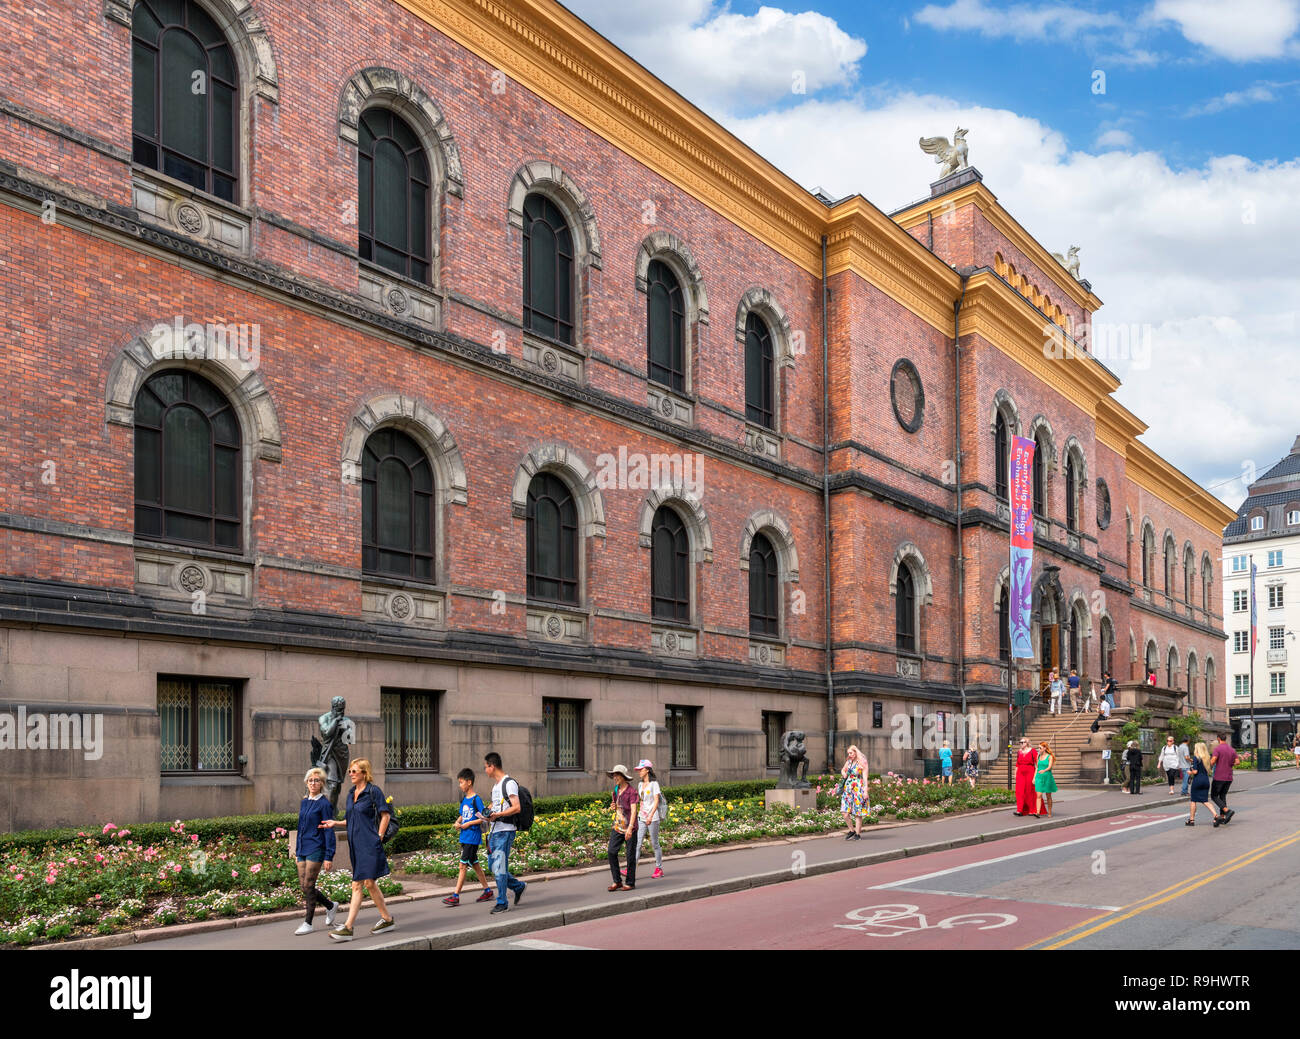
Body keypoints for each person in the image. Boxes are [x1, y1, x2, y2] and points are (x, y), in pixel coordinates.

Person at [320, 758, 394, 940]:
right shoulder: (351, 793)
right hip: (356, 845)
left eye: (354, 771)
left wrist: (379, 837)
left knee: (357, 884)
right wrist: (335, 823)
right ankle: (387, 919)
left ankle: (348, 927)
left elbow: (385, 815)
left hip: (369, 844)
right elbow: (351, 819)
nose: (350, 774)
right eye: (350, 772)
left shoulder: (373, 791)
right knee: (368, 883)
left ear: (363, 773)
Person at [293, 767, 338, 935]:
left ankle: (308, 923)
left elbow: (328, 830)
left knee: (309, 884)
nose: (313, 783)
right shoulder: (304, 802)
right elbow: (301, 827)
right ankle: (330, 905)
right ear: (306, 782)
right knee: (304, 887)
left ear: (322, 783)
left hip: (316, 848)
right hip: (303, 849)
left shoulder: (324, 804)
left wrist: (329, 856)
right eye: (310, 780)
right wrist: (297, 850)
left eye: (317, 780)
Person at [443, 768, 495, 907]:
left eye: (461, 782)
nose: (460, 785)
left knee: (462, 865)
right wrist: (458, 822)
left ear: (469, 782)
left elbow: (484, 817)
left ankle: (456, 896)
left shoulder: (476, 799)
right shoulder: (464, 799)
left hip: (472, 836)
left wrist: (468, 824)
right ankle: (487, 890)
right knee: (475, 864)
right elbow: (462, 814)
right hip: (465, 836)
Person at [482, 752, 527, 913]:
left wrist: (498, 815)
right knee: (493, 867)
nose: (485, 770)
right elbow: (496, 805)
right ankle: (518, 886)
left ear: (492, 766)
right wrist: (486, 812)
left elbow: (517, 807)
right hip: (494, 832)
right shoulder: (496, 786)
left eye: (485, 767)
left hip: (505, 831)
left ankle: (502, 902)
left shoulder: (509, 783)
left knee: (499, 868)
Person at [606, 764, 639, 891]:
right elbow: (616, 804)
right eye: (614, 775)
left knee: (630, 856)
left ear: (623, 777)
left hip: (630, 827)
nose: (615, 777)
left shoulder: (632, 792)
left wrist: (630, 828)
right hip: (618, 826)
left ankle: (630, 883)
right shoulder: (616, 790)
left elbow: (634, 811)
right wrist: (613, 806)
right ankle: (617, 881)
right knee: (611, 852)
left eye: (617, 775)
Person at [634, 759, 664, 879]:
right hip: (641, 816)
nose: (639, 772)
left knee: (655, 843)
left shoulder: (654, 784)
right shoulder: (640, 784)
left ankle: (659, 868)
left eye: (640, 770)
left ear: (647, 770)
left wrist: (651, 815)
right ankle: (632, 868)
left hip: (653, 818)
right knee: (637, 843)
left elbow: (656, 801)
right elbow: (642, 800)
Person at [1186, 742, 1223, 827]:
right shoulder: (1207, 758)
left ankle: (1191, 820)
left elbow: (1195, 771)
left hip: (1197, 781)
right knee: (1205, 800)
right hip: (1206, 781)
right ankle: (1216, 815)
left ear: (1197, 749)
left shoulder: (1196, 757)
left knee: (1193, 800)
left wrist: (1190, 772)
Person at [838, 745, 868, 839]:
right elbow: (843, 770)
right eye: (848, 753)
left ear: (856, 752)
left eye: (851, 753)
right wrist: (844, 773)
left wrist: (865, 791)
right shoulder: (849, 762)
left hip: (858, 790)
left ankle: (858, 834)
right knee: (844, 812)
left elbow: (865, 779)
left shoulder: (863, 763)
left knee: (858, 812)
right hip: (847, 790)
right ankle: (852, 830)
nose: (849, 755)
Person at [1209, 736, 1238, 824]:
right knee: (1222, 796)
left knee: (1214, 796)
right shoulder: (1232, 749)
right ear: (1225, 739)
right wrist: (1229, 764)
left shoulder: (1217, 749)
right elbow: (1237, 762)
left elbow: (1213, 760)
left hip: (1219, 776)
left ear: (1218, 738)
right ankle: (1223, 816)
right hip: (1229, 777)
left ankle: (1227, 811)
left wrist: (1208, 765)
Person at [1014, 737, 1039, 816]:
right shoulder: (1019, 752)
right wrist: (1015, 774)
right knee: (1019, 791)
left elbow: (1037, 765)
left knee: (1029, 791)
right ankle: (1019, 810)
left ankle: (1031, 810)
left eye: (1022, 742)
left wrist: (1035, 777)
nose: (1020, 744)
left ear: (1027, 743)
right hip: (1020, 773)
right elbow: (1017, 764)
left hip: (1030, 772)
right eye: (1020, 742)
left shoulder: (1033, 751)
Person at [1034, 740, 1058, 817]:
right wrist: (1034, 777)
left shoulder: (1049, 756)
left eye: (1040, 748)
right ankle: (1037, 812)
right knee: (1039, 795)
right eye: (1038, 748)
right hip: (1039, 777)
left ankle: (1050, 812)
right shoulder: (1038, 756)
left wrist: (1044, 770)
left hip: (1047, 777)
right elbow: (1036, 768)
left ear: (1044, 748)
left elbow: (1050, 766)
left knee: (1048, 796)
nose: (1038, 749)